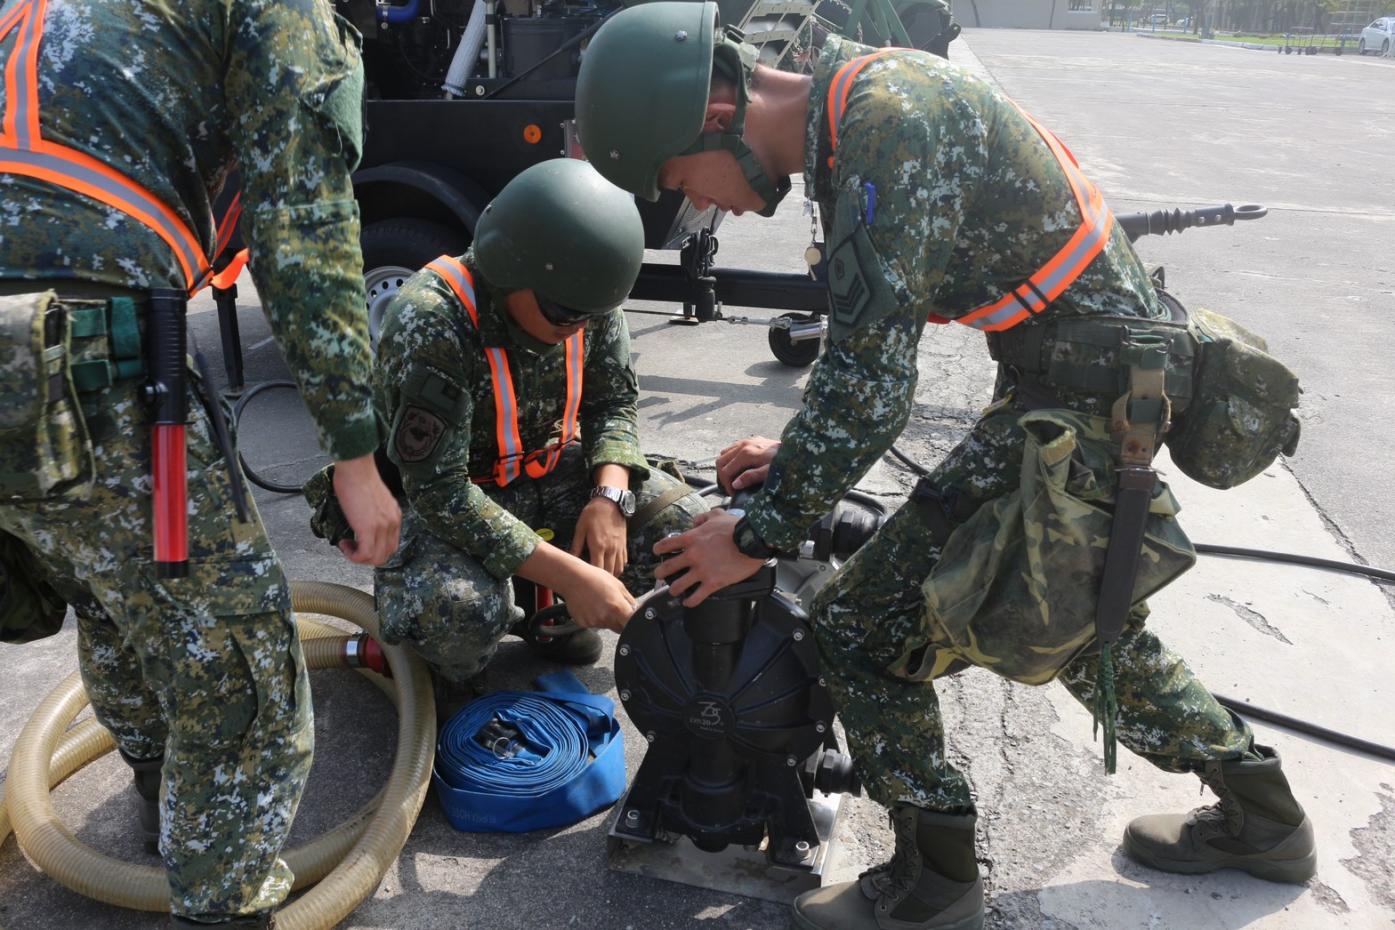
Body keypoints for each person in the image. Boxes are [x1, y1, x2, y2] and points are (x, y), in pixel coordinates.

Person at [574, 5, 1313, 929]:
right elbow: (865, 354)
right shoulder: (864, 103)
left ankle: (932, 884)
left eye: (684, 182)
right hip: (1073, 387)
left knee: (855, 626)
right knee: (1077, 622)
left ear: (717, 110)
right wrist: (801, 453)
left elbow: (871, 381)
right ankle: (1262, 816)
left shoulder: (888, 123)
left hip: (1084, 403)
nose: (705, 206)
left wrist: (753, 538)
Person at [0, 0, 400, 925]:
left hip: (28, 359)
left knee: (110, 590)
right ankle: (222, 896)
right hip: (78, 355)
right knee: (244, 679)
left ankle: (162, 804)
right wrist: (353, 450)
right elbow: (303, 222)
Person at [361, 157, 706, 703]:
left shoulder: (580, 296)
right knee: (456, 611)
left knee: (693, 534)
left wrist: (609, 495)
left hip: (551, 474)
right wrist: (574, 574)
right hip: (456, 502)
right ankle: (446, 664)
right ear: (507, 268)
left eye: (593, 315)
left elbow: (613, 401)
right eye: (568, 318)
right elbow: (439, 492)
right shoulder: (431, 320)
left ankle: (549, 618)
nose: (581, 328)